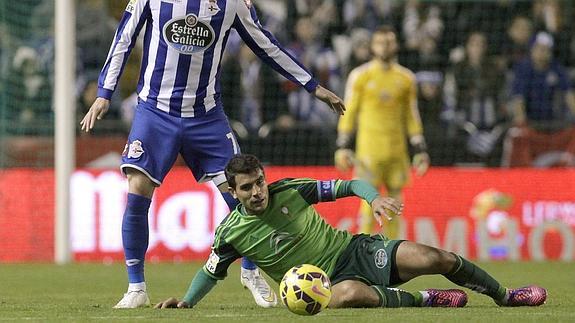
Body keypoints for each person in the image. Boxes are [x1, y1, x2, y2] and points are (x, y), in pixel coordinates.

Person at [80, 0, 345, 309]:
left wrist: (313, 86)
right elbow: (123, 38)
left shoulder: (231, 3)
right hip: (155, 112)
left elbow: (266, 45)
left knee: (244, 198)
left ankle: (250, 271)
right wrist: (104, 93)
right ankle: (136, 287)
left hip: (206, 117)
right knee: (137, 192)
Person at [154, 154, 547, 309]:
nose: (257, 191)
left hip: (355, 251)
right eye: (247, 187)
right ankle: (426, 300)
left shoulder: (289, 190)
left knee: (435, 257)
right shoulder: (231, 232)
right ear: (233, 192)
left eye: (258, 182)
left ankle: (505, 296)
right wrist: (187, 303)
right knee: (346, 295)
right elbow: (211, 270)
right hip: (318, 284)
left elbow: (349, 184)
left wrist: (373, 199)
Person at [334, 26, 429, 237]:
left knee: (396, 204)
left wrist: (420, 148)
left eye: (389, 41)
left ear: (396, 45)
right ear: (372, 46)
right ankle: (364, 252)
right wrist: (342, 146)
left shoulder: (406, 78)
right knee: (368, 202)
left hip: (397, 152)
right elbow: (348, 112)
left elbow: (412, 116)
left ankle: (393, 255)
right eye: (380, 42)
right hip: (369, 152)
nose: (385, 46)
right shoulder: (360, 76)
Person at [502, 31, 575, 167]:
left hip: (552, 123)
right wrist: (522, 122)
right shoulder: (523, 69)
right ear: (532, 49)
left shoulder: (556, 68)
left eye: (547, 49)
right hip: (530, 123)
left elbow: (569, 95)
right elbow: (518, 100)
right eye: (540, 48)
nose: (544, 53)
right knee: (517, 136)